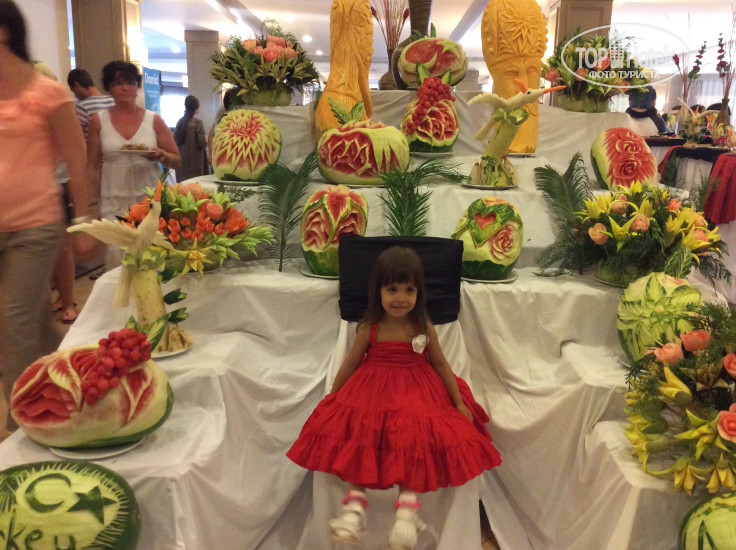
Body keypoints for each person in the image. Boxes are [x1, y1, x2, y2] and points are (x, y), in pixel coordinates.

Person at [287, 246, 501, 548]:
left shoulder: (422, 327)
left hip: (416, 388)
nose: (400, 298)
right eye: (392, 289)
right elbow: (350, 364)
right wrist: (334, 397)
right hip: (372, 388)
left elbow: (441, 364)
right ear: (378, 291)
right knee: (360, 434)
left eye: (409, 290)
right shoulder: (369, 328)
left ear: (419, 292)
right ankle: (355, 504)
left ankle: (407, 508)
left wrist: (458, 402)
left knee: (411, 436)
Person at [0, 0, 90, 428]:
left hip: (35, 225)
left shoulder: (48, 92)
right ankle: (68, 387)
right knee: (32, 323)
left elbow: (76, 160)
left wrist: (84, 221)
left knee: (11, 320)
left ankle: (23, 422)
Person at [87, 60, 180, 267]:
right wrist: (91, 204)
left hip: (148, 198)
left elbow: (176, 160)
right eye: (118, 83)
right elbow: (92, 166)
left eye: (130, 82)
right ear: (109, 87)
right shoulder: (99, 121)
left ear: (138, 86)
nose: (126, 88)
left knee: (151, 254)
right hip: (112, 199)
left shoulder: (153, 120)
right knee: (116, 256)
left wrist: (161, 155)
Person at [32, 61, 78, 324]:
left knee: (62, 248)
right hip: (29, 190)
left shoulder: (57, 113)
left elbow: (72, 155)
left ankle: (67, 301)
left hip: (56, 185)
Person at [67, 67, 114, 139]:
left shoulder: (82, 107)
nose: (76, 96)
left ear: (77, 85)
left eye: (74, 91)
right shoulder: (112, 101)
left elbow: (75, 136)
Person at [173, 95, 208, 182]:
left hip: (182, 165)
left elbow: (175, 139)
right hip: (195, 165)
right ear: (197, 107)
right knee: (196, 187)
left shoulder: (180, 122)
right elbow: (202, 142)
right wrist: (207, 139)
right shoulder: (198, 123)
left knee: (183, 187)